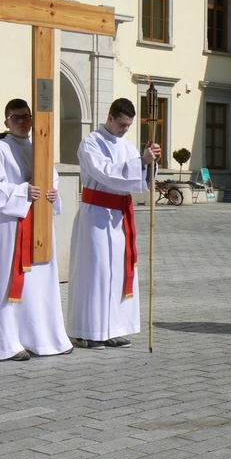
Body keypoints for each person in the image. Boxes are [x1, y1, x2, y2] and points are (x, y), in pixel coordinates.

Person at [0, 98, 73, 361]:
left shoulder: (39, 147)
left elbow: (50, 181)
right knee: (10, 281)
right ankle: (6, 344)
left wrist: (53, 197)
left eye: (26, 117)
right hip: (13, 225)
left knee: (41, 282)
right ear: (6, 121)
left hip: (40, 223)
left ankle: (44, 338)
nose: (22, 122)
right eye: (16, 118)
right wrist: (22, 191)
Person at [67, 98, 161, 349]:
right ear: (110, 117)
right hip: (96, 215)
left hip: (119, 217)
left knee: (117, 271)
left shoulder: (128, 146)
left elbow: (140, 180)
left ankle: (113, 328)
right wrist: (141, 162)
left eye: (129, 126)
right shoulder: (90, 143)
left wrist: (151, 164)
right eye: (121, 124)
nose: (124, 130)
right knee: (96, 272)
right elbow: (105, 173)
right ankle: (87, 330)